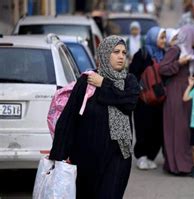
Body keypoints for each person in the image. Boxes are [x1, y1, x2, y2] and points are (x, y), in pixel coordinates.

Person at [49, 35, 140, 198]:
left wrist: (103, 83)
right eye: (116, 52)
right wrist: (58, 155)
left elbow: (129, 102)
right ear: (105, 54)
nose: (121, 56)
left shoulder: (129, 81)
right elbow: (69, 117)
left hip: (117, 155)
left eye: (124, 52)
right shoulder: (87, 80)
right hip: (86, 156)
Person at [159, 25, 194, 175]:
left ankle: (184, 164)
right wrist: (179, 63)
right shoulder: (176, 50)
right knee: (177, 129)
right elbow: (163, 69)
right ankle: (176, 165)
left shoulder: (192, 52)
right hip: (175, 93)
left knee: (185, 130)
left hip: (187, 92)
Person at [128, 26, 167, 170]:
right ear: (153, 38)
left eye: (164, 37)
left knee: (157, 129)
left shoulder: (164, 54)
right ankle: (141, 156)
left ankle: (151, 156)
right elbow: (132, 74)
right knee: (143, 127)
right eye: (161, 37)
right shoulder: (142, 54)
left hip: (159, 100)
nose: (164, 40)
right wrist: (140, 89)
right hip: (143, 100)